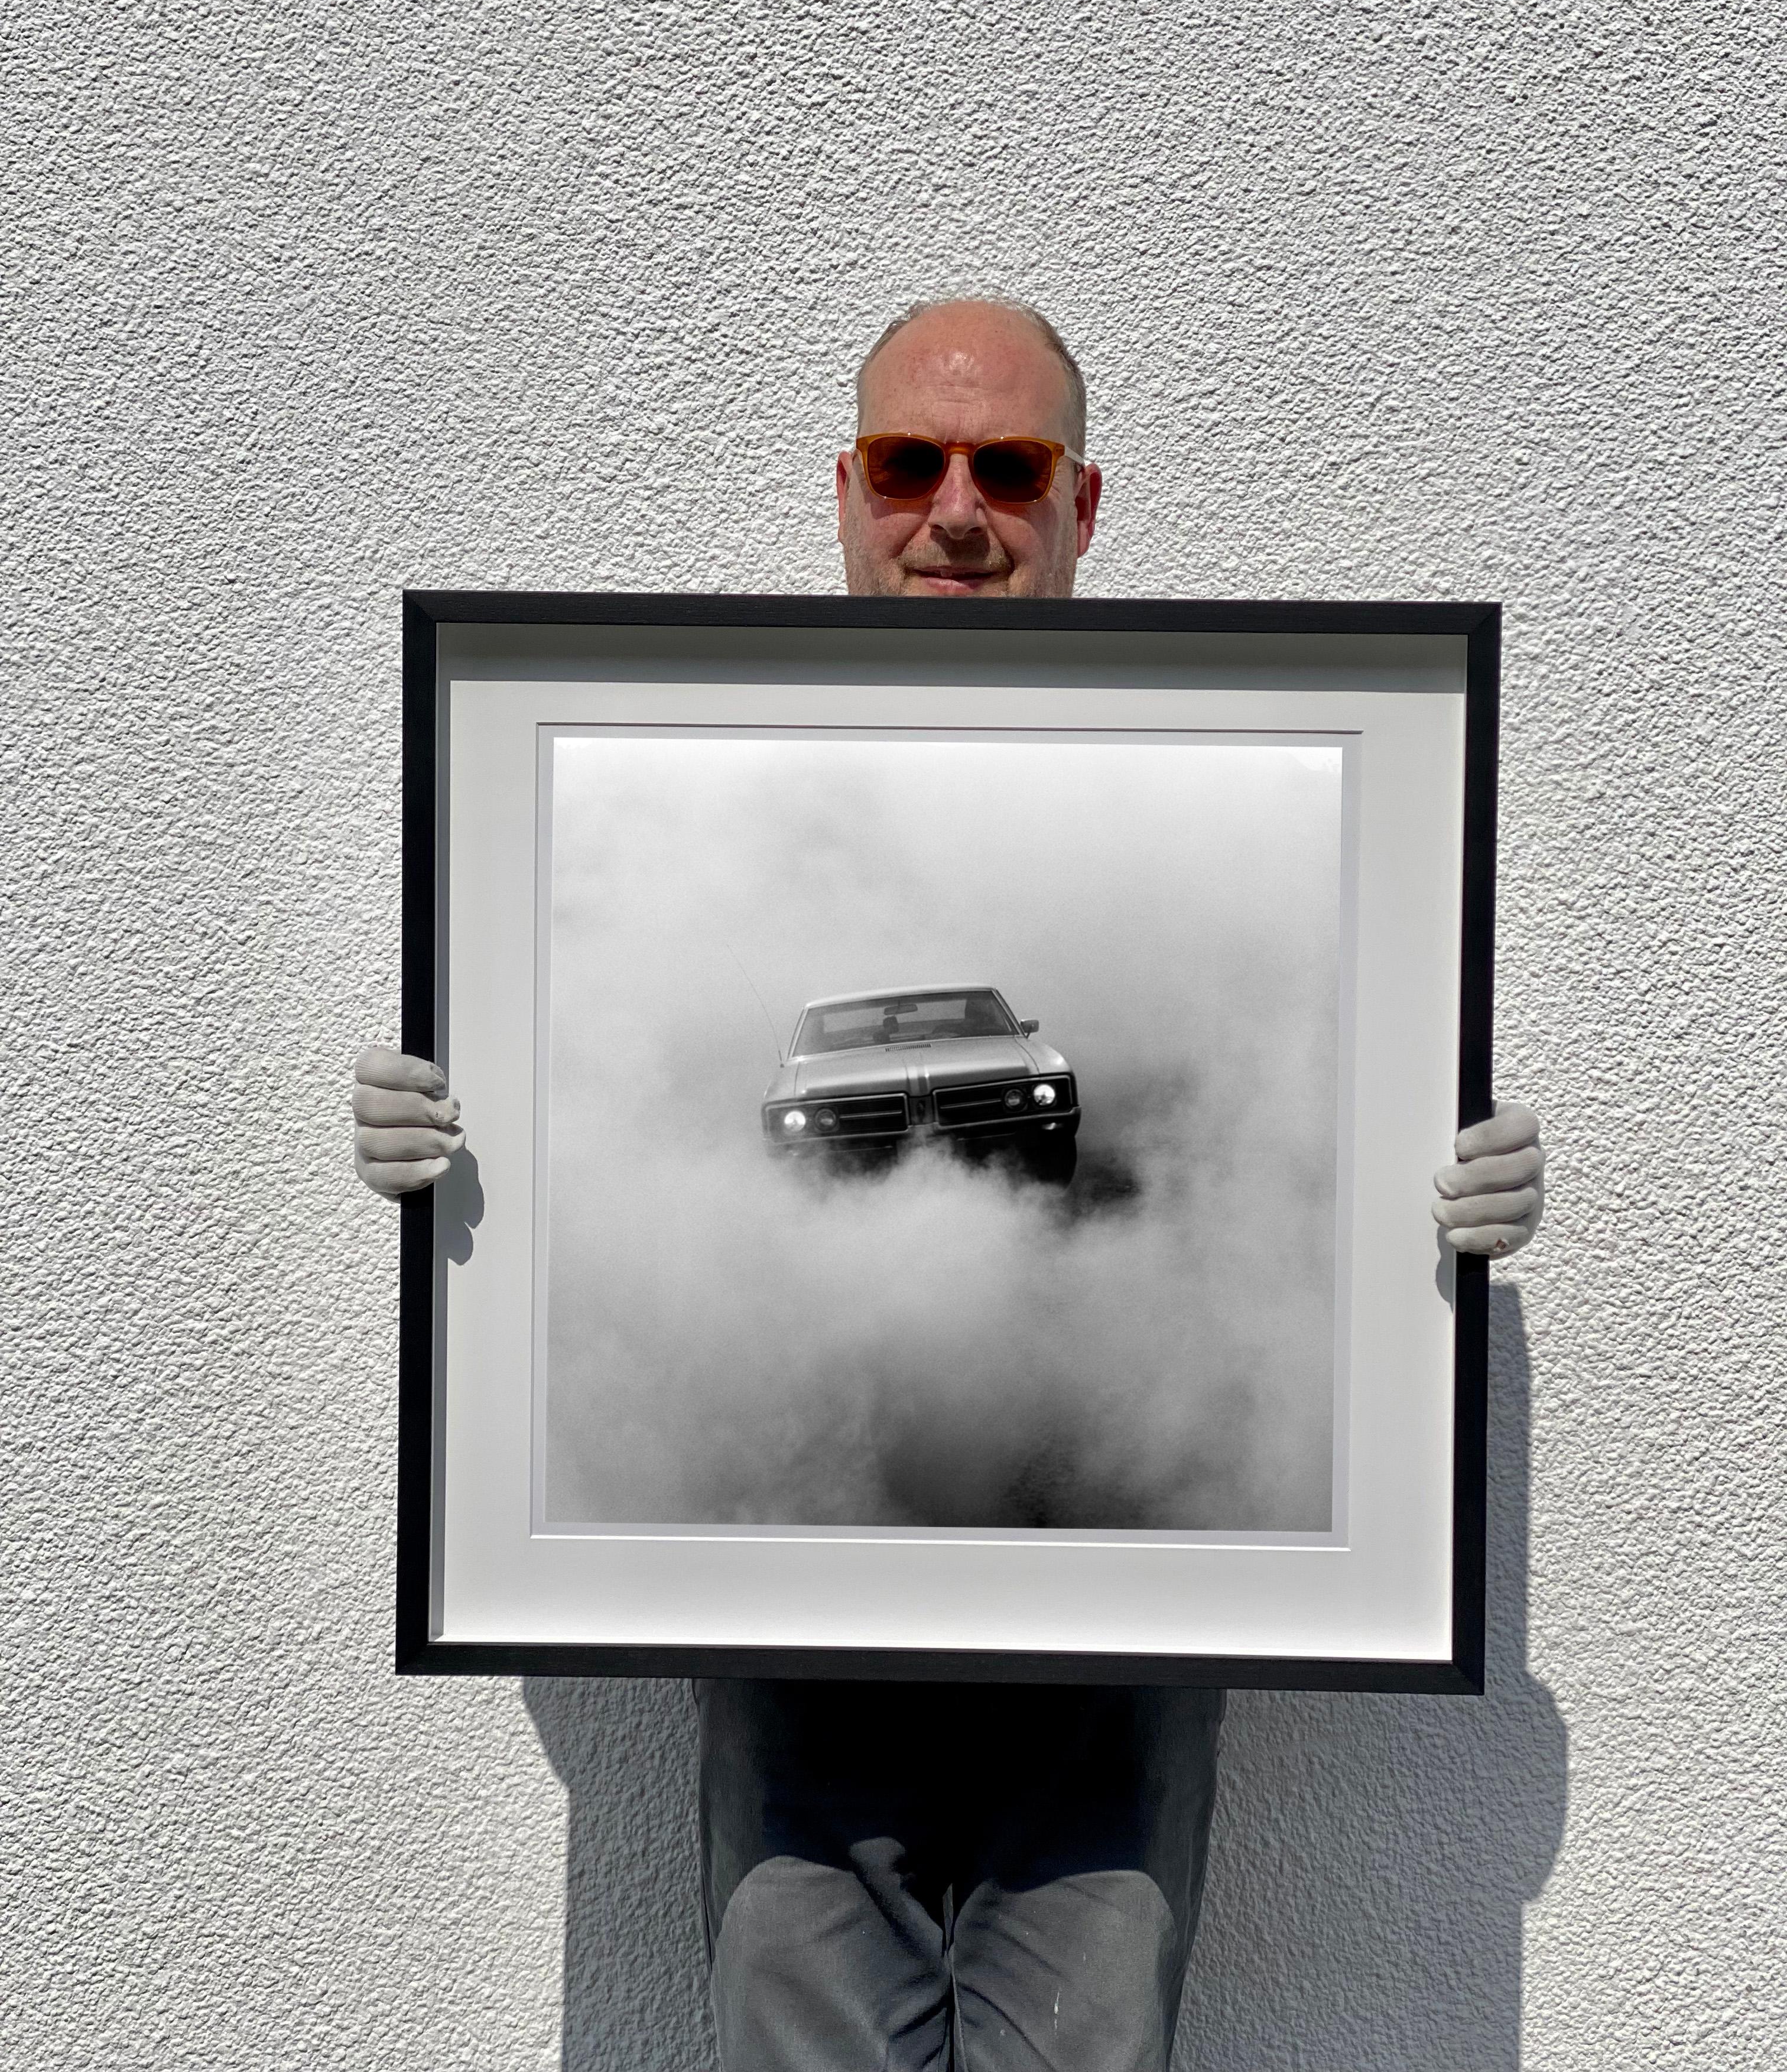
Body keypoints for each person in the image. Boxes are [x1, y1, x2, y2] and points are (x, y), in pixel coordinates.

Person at [352, 298, 1546, 2070]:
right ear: (847, 487)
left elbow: (1252, 1114)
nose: (959, 511)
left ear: (1085, 502)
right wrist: (462, 1155)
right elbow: (634, 1121)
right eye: (912, 464)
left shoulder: (1225, 794)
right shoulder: (704, 791)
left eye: (1011, 466)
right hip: (783, 1590)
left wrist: (1425, 1204)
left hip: (1125, 1591)